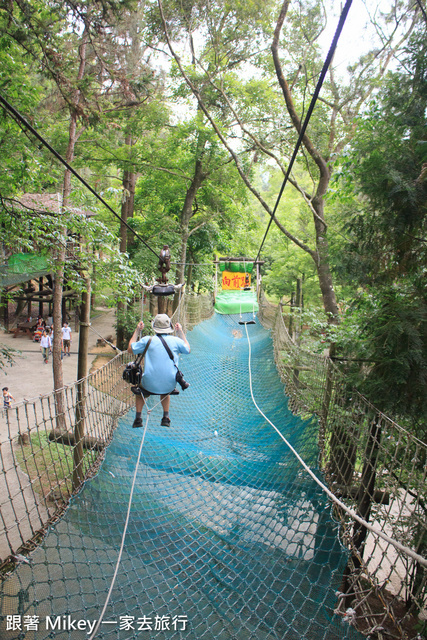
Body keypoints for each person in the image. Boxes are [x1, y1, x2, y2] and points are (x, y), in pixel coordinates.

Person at [127, 314, 190, 428]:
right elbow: (187, 349)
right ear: (169, 327)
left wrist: (137, 331)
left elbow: (130, 349)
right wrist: (180, 332)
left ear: (154, 327)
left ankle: (138, 418)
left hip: (149, 383)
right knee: (166, 389)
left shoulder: (148, 340)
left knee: (140, 390)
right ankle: (166, 416)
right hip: (169, 384)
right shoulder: (176, 341)